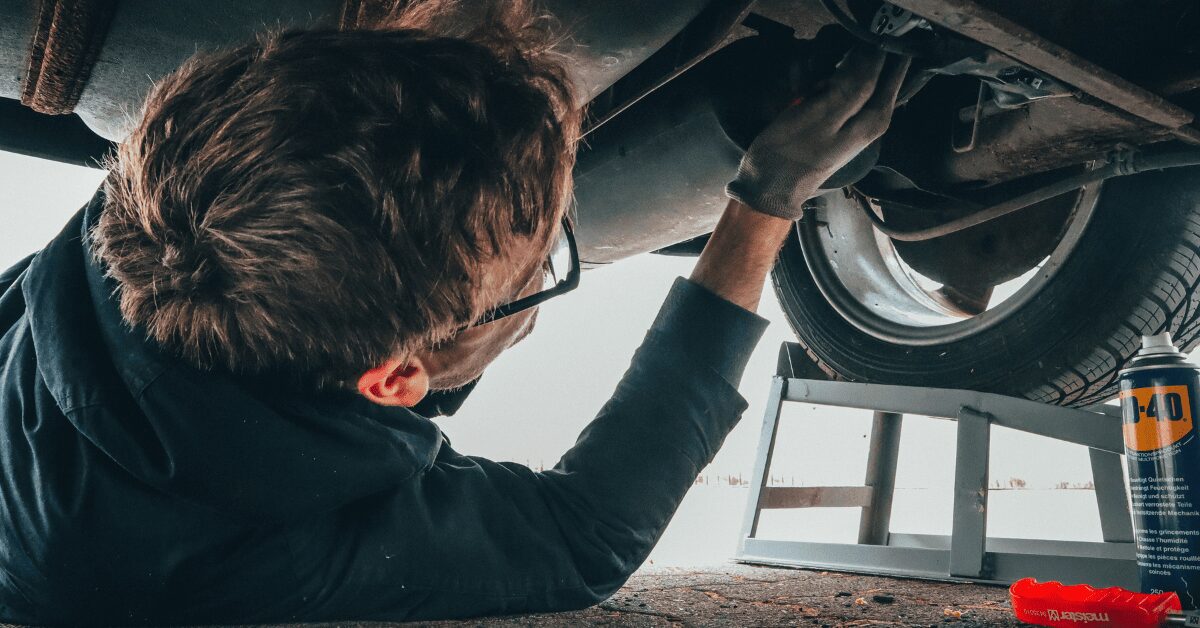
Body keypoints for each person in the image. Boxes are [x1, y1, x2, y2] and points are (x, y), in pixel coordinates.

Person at [0, 2, 908, 624]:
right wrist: (763, 203)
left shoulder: (178, 200)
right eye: (540, 269)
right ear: (394, 379)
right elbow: (584, 536)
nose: (542, 285)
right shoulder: (247, 551)